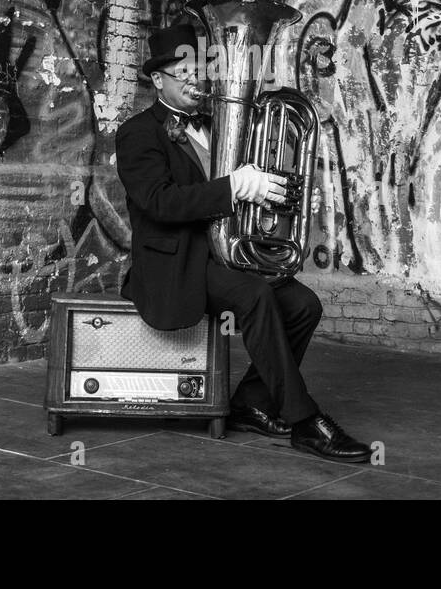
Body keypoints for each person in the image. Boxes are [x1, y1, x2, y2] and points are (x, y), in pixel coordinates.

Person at [115, 23, 373, 463]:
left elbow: (245, 187)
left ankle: (251, 403)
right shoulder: (138, 133)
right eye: (184, 72)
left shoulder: (219, 124)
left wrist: (271, 190)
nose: (197, 80)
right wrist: (234, 186)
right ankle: (305, 421)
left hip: (226, 252)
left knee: (304, 304)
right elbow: (160, 203)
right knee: (254, 296)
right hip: (177, 263)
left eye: (201, 70)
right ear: (158, 80)